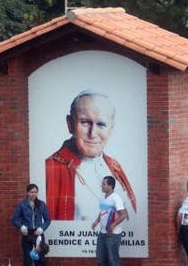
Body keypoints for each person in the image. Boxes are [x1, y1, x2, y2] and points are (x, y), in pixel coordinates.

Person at [45, 90, 136, 221]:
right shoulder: (51, 168)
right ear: (70, 124)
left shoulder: (114, 167)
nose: (92, 134)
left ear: (111, 129)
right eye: (85, 122)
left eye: (101, 124)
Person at [11, 183, 52, 266]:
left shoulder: (41, 204)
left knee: (40, 256)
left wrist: (41, 228)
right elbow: (14, 219)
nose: (33, 194)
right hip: (27, 232)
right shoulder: (22, 204)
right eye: (31, 192)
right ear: (27, 193)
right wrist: (22, 227)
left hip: (38, 233)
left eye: (35, 192)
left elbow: (48, 220)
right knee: (27, 256)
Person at [91, 176, 128, 266]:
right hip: (102, 232)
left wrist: (113, 225)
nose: (101, 186)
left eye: (104, 184)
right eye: (102, 183)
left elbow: (123, 214)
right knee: (100, 256)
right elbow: (103, 211)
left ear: (110, 186)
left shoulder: (116, 198)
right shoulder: (104, 197)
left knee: (112, 258)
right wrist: (96, 221)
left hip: (113, 233)